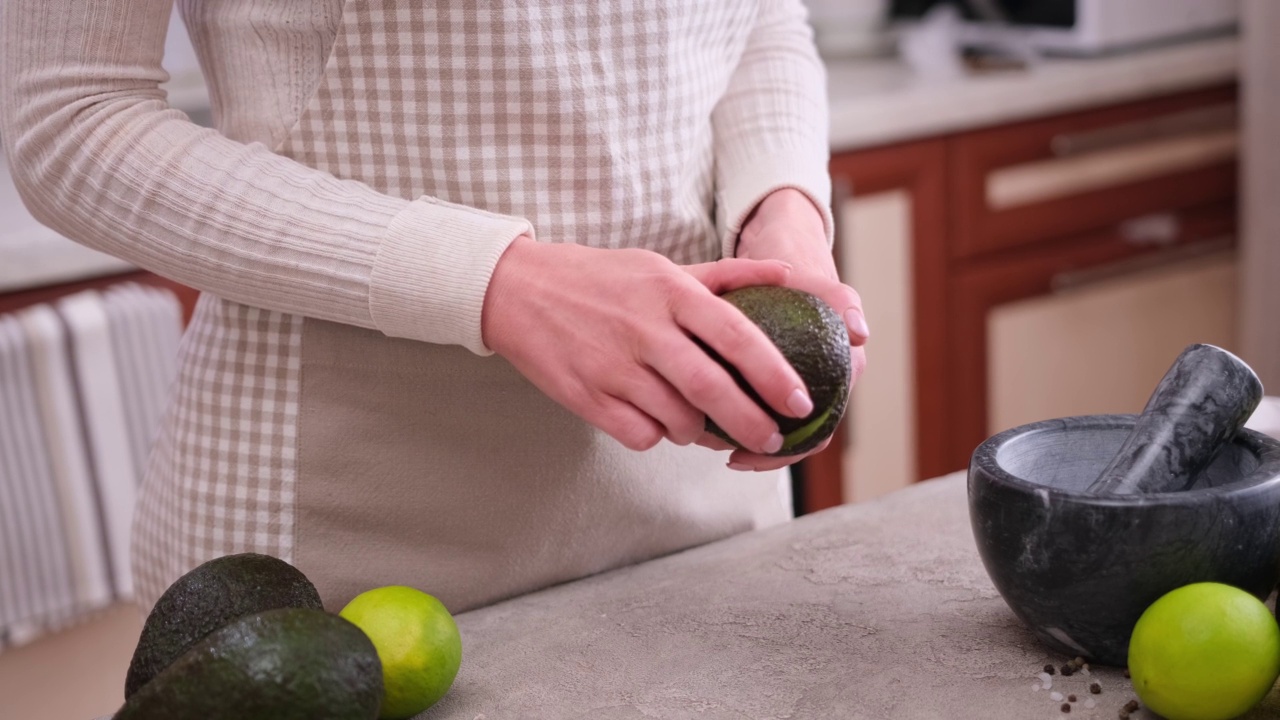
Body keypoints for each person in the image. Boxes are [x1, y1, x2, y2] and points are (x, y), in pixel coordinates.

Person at [0, 0, 868, 614]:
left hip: (705, 517)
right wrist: (496, 281)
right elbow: (70, 118)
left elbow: (762, 19)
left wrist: (781, 209)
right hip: (340, 545)